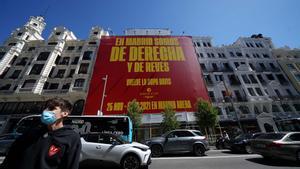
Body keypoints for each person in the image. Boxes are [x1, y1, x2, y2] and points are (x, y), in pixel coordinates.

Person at [0, 97, 81, 169]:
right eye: (45, 108)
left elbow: (71, 165)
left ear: (64, 113)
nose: (45, 111)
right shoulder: (30, 133)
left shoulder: (72, 138)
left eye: (51, 108)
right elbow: (11, 158)